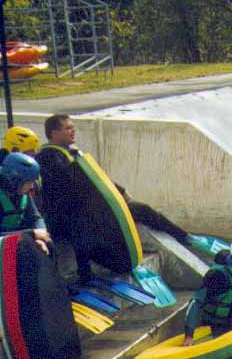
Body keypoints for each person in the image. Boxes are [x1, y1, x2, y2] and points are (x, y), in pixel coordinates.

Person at [36, 114, 207, 281]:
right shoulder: (49, 156)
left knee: (141, 210)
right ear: (54, 133)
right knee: (85, 228)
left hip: (91, 210)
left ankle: (184, 236)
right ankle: (86, 275)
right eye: (67, 128)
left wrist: (120, 193)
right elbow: (75, 184)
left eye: (73, 127)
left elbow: (97, 178)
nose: (73, 131)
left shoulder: (72, 152)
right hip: (70, 216)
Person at [0, 153, 52, 254]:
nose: (32, 187)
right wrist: (31, 234)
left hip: (13, 245)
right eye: (28, 182)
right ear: (14, 180)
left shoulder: (20, 192)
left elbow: (35, 218)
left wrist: (41, 238)